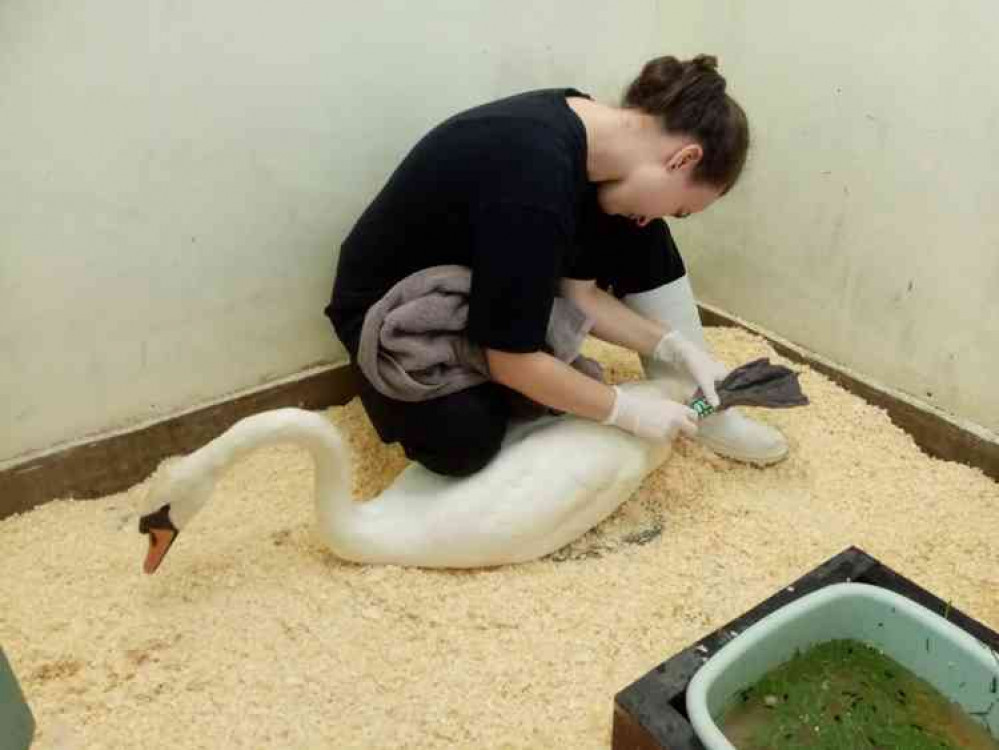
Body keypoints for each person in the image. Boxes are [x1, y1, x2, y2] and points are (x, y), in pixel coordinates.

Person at [324, 54, 788, 477]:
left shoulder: (592, 139)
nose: (660, 218)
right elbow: (511, 361)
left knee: (640, 225)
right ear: (685, 158)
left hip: (477, 278)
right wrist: (623, 409)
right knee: (463, 443)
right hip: (392, 309)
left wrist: (679, 349)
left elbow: (580, 294)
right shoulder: (532, 176)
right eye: (682, 208)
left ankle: (699, 400)